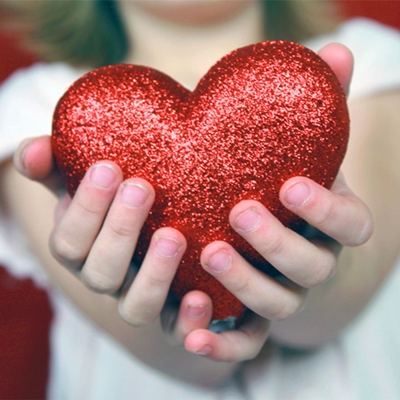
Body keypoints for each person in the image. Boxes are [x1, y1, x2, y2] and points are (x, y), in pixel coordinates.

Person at [1, 0, 400, 398]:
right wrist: (181, 317)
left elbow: (343, 302)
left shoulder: (363, 62)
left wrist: (315, 276)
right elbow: (194, 368)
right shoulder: (38, 109)